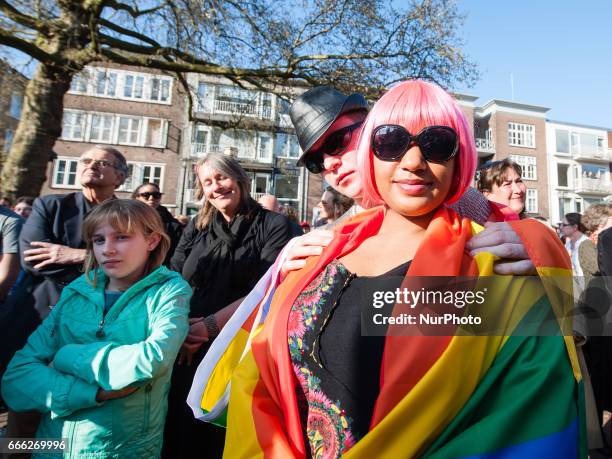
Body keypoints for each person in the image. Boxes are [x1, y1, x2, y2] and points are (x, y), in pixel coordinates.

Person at [222, 80, 582, 458]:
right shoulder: (323, 245)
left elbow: (565, 330)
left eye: (337, 142)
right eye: (316, 159)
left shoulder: (473, 216)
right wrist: (278, 282)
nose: (329, 163)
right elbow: (266, 370)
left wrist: (539, 246)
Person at [1, 199, 191, 457]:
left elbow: (151, 360)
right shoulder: (76, 291)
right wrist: (93, 392)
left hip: (119, 449)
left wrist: (63, 357)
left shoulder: (169, 291)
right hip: (53, 445)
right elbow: (16, 378)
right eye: (99, 240)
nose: (107, 250)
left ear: (152, 240)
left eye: (121, 237)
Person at [163, 153, 296, 458]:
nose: (216, 187)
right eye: (208, 182)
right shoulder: (197, 225)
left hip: (239, 344)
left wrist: (209, 327)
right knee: (182, 430)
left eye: (221, 177)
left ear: (238, 179)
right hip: (186, 346)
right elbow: (173, 277)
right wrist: (181, 326)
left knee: (223, 435)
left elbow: (268, 288)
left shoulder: (274, 225)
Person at [20, 145, 129, 320]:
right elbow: (32, 259)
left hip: (105, 310)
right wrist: (104, 265)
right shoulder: (50, 206)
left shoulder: (130, 217)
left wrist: (78, 255)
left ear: (119, 177)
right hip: (46, 306)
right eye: (86, 161)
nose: (91, 166)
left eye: (102, 163)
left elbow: (134, 264)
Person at [132, 182, 183, 266]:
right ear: (137, 197)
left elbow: (177, 253)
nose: (151, 198)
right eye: (146, 195)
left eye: (156, 195)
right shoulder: (126, 219)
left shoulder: (172, 225)